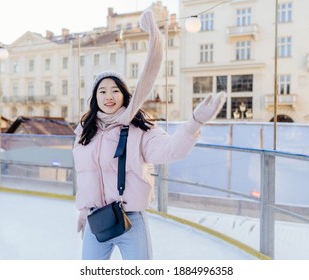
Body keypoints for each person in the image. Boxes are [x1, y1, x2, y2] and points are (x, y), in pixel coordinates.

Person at [72, 8, 226, 260]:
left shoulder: (138, 128)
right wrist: (83, 210)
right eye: (102, 91)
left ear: (124, 95)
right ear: (95, 97)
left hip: (129, 220)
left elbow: (171, 150)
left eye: (114, 91)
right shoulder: (84, 131)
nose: (108, 96)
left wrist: (194, 121)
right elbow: (85, 174)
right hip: (95, 219)